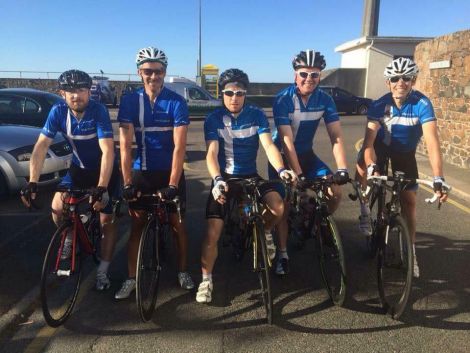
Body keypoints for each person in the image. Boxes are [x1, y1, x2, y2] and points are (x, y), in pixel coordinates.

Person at [195, 68, 296, 304]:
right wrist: (217, 180)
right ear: (222, 94)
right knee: (213, 231)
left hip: (250, 175)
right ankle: (206, 280)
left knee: (278, 207)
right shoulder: (213, 119)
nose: (234, 97)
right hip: (225, 178)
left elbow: (269, 146)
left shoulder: (256, 114)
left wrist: (281, 169)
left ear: (245, 94)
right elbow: (212, 152)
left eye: (239, 93)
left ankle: (267, 231)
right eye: (229, 93)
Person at [20, 69, 119, 291]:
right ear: (62, 93)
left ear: (89, 92)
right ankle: (71, 235)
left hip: (104, 169)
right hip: (79, 169)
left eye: (82, 90)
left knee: (106, 221)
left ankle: (102, 271)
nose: (77, 95)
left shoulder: (98, 111)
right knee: (57, 208)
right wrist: (32, 182)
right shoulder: (57, 111)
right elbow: (41, 146)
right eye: (71, 91)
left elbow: (107, 151)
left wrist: (102, 187)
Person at [356, 57, 448, 278]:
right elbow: (368, 144)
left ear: (413, 80)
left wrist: (438, 178)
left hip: (404, 153)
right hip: (380, 148)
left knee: (409, 202)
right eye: (395, 78)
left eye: (406, 78)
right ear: (388, 82)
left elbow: (433, 143)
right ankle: (365, 209)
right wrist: (371, 168)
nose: (401, 82)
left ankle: (411, 251)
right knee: (361, 164)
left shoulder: (422, 104)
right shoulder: (379, 105)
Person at [116, 46, 194, 299]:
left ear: (164, 73)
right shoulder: (129, 101)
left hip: (168, 171)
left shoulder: (176, 101)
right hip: (143, 171)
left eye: (158, 71)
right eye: (148, 71)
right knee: (137, 224)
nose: (153, 76)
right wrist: (127, 182)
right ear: (140, 73)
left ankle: (183, 271)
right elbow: (125, 146)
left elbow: (180, 146)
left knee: (177, 224)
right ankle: (130, 278)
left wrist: (173, 184)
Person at [269, 49, 349, 276]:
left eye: (315, 75)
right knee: (283, 205)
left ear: (320, 77)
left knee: (335, 192)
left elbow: (336, 136)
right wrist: (299, 174)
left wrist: (342, 168)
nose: (309, 79)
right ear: (295, 74)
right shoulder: (283, 99)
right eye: (304, 74)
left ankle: (319, 223)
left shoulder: (325, 99)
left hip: (307, 154)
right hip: (283, 156)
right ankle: (283, 254)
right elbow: (286, 142)